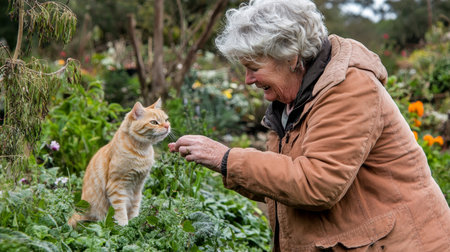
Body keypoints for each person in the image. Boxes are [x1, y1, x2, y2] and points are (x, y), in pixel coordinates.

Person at [168, 0, 450, 251]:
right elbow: (281, 182)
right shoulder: (291, 99)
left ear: (291, 57)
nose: (247, 80)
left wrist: (227, 159)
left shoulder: (349, 88)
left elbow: (318, 184)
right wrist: (222, 163)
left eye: (254, 67)